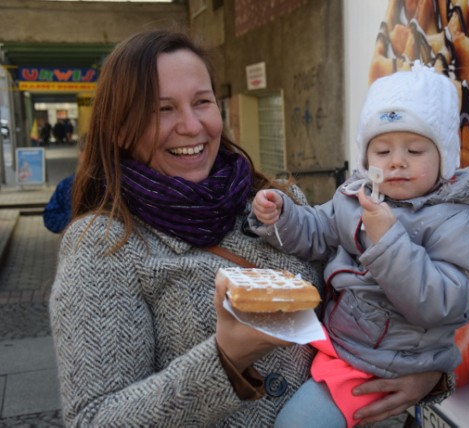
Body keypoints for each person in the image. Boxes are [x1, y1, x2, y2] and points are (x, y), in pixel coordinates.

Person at [49, 30, 448, 427]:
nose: (191, 126)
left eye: (202, 102)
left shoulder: (276, 201)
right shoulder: (103, 246)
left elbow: (381, 293)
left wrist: (428, 374)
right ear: (120, 128)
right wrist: (226, 358)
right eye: (162, 110)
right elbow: (95, 419)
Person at [250, 62, 469, 427]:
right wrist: (281, 216)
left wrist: (388, 239)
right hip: (340, 346)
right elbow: (317, 231)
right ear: (366, 159)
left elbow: (441, 303)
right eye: (383, 151)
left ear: (445, 157)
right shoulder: (356, 197)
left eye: (416, 150)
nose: (397, 162)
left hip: (388, 367)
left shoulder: (465, 222)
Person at [42, 137, 85, 234]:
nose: (79, 155)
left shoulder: (110, 185)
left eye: (82, 150)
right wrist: (72, 223)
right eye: (81, 150)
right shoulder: (67, 185)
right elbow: (50, 216)